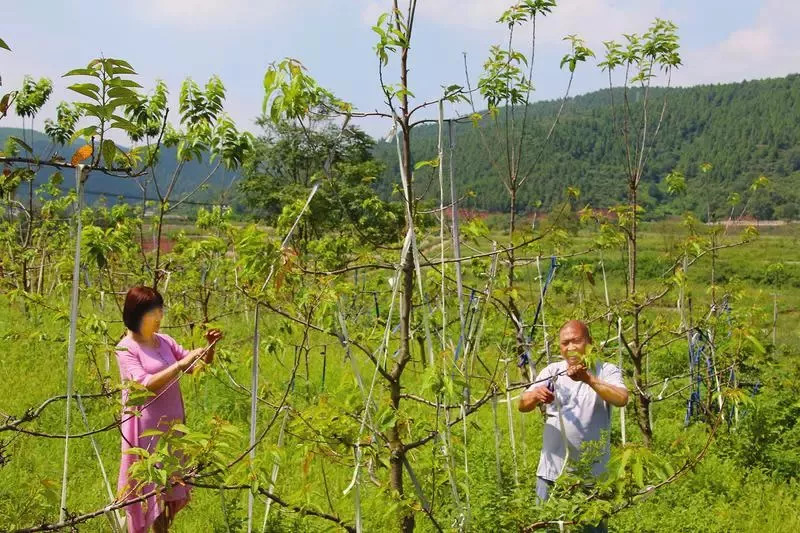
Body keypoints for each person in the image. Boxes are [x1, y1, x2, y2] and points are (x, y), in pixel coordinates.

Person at [115, 286, 222, 533]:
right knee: (151, 488)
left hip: (172, 430)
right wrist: (181, 364)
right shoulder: (126, 347)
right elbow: (144, 384)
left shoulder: (164, 341)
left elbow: (195, 367)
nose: (160, 316)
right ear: (138, 314)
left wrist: (209, 348)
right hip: (147, 431)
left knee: (169, 491)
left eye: (161, 310)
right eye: (154, 312)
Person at [519, 320, 628, 532]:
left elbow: (621, 398)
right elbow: (522, 405)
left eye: (575, 341)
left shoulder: (605, 371)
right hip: (552, 475)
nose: (569, 348)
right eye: (564, 343)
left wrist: (588, 379)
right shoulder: (552, 371)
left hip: (592, 478)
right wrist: (534, 395)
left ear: (590, 342)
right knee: (547, 527)